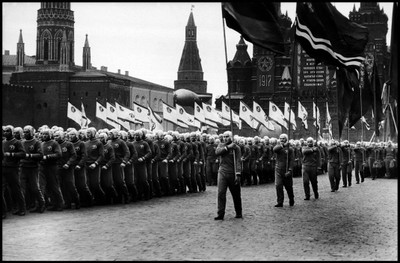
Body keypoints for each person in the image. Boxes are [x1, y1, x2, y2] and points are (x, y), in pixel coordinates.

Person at [214, 131, 242, 220]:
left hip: (233, 173)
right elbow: (217, 152)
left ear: (231, 137)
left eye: (227, 137)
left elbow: (238, 161)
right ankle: (220, 214)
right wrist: (227, 148)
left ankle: (239, 212)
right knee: (221, 193)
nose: (225, 138)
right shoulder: (221, 145)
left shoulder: (236, 148)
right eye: (224, 136)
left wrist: (238, 174)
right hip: (222, 172)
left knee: (236, 194)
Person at [20, 125, 46, 213]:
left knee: (35, 188)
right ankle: (22, 207)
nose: (25, 133)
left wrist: (29, 155)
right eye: (24, 132)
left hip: (33, 168)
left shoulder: (37, 142)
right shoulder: (22, 142)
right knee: (22, 188)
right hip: (23, 167)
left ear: (32, 132)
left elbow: (40, 155)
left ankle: (41, 204)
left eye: (27, 132)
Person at [2, 125, 27, 217]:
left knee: (16, 189)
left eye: (8, 131)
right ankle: (3, 212)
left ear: (12, 132)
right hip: (3, 168)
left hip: (13, 169)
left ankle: (22, 209)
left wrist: (12, 154)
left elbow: (23, 154)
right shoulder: (3, 142)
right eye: (4, 131)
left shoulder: (17, 142)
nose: (5, 133)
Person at [54, 130, 80, 209]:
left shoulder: (69, 144)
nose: (56, 137)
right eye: (55, 136)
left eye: (57, 136)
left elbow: (73, 156)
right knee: (62, 186)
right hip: (58, 168)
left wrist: (68, 163)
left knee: (70, 185)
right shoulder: (54, 145)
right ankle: (67, 203)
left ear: (62, 136)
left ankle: (77, 202)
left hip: (68, 168)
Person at [40, 128, 64, 211]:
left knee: (55, 186)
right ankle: (53, 204)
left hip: (52, 167)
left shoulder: (54, 143)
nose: (44, 136)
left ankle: (60, 204)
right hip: (43, 167)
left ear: (50, 135)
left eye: (46, 134)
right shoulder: (42, 144)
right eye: (43, 134)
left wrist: (48, 157)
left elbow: (58, 154)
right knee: (48, 187)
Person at [68, 129, 94, 207]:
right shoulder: (69, 144)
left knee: (82, 185)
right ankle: (78, 200)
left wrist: (80, 164)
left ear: (76, 135)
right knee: (73, 185)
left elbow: (84, 155)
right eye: (70, 135)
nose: (71, 136)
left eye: (72, 134)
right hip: (71, 166)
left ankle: (90, 200)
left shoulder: (81, 143)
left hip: (80, 166)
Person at [273, 133, 295, 207]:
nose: (282, 140)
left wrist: (290, 170)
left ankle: (291, 199)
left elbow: (292, 160)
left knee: (288, 187)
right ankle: (280, 201)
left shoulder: (290, 149)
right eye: (280, 138)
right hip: (278, 169)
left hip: (286, 170)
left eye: (283, 138)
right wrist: (283, 145)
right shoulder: (278, 147)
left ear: (286, 139)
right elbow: (274, 150)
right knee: (278, 185)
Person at [85, 127, 105, 205]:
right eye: (87, 132)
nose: (88, 134)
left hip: (95, 165)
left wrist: (95, 163)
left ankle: (102, 198)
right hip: (86, 165)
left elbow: (101, 155)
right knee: (87, 183)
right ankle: (91, 200)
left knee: (95, 184)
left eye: (89, 132)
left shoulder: (99, 143)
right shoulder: (85, 143)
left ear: (93, 133)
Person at [109, 129, 130, 204]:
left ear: (115, 134)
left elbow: (127, 152)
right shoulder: (109, 142)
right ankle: (117, 198)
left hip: (118, 163)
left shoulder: (121, 142)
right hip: (111, 164)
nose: (109, 135)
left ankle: (126, 197)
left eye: (111, 134)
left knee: (120, 181)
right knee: (113, 182)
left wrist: (124, 161)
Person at [132, 130, 151, 200]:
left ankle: (147, 195)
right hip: (135, 164)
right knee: (136, 180)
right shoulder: (132, 143)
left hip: (142, 164)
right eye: (135, 135)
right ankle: (138, 195)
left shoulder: (144, 143)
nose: (136, 136)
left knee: (144, 180)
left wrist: (143, 158)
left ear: (141, 136)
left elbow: (149, 153)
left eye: (138, 135)